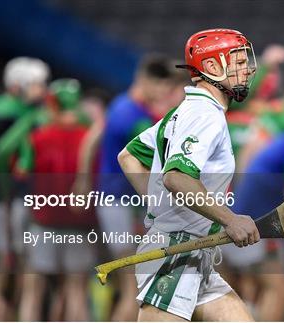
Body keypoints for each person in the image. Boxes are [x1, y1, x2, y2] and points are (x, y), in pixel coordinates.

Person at [117, 28, 259, 321]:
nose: (248, 69)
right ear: (211, 67)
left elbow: (130, 156)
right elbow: (176, 178)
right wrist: (230, 219)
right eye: (239, 61)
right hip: (176, 252)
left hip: (194, 252)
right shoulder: (204, 114)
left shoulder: (187, 110)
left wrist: (160, 207)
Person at [93, 53, 189, 321]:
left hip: (116, 201)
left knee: (131, 286)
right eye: (162, 86)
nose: (163, 92)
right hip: (117, 203)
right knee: (132, 287)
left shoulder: (121, 105)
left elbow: (92, 139)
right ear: (146, 80)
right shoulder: (133, 116)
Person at [17, 79, 97, 321]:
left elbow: (21, 173)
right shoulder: (90, 138)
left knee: (33, 292)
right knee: (76, 292)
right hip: (80, 223)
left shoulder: (38, 137)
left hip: (43, 222)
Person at [0, 56, 49, 321]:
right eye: (37, 84)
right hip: (8, 204)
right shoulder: (24, 116)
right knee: (17, 277)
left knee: (1, 275)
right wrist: (6, 194)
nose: (42, 91)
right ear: (18, 85)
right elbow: (6, 156)